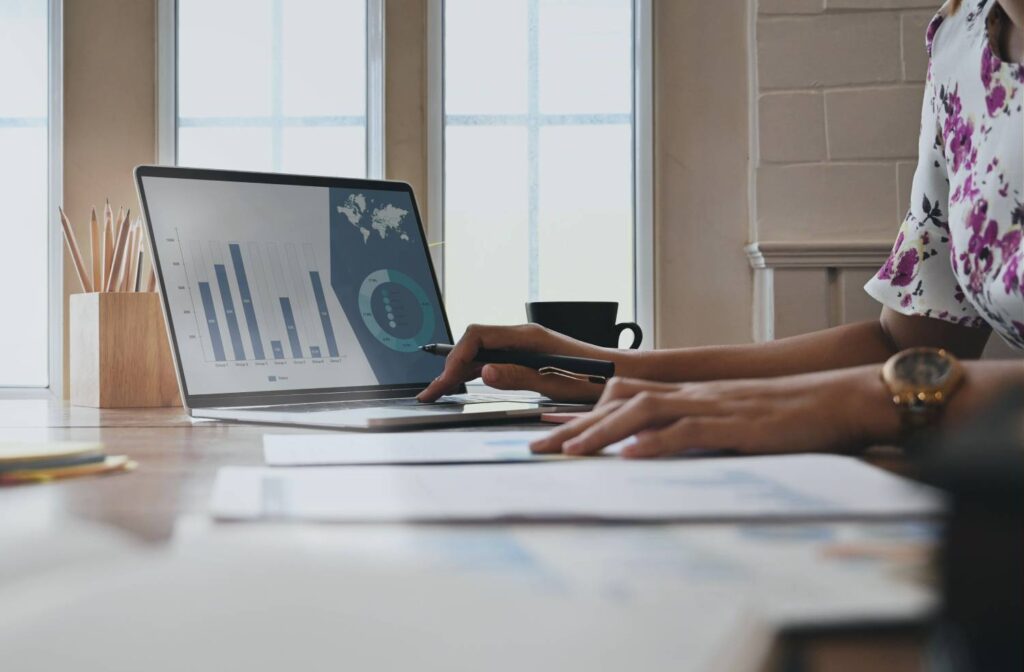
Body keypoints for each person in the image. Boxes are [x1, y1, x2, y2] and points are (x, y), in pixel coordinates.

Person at [418, 0, 1024, 458]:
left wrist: (868, 402)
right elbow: (908, 350)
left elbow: (894, 379)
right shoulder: (960, 40)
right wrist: (595, 366)